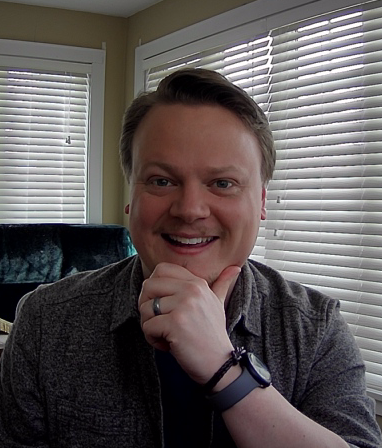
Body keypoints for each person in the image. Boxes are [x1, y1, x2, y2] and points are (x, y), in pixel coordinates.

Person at [0, 68, 381, 448]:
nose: (190, 209)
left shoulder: (314, 329)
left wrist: (225, 370)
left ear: (262, 202)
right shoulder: (44, 324)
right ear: (130, 197)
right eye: (162, 181)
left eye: (222, 183)